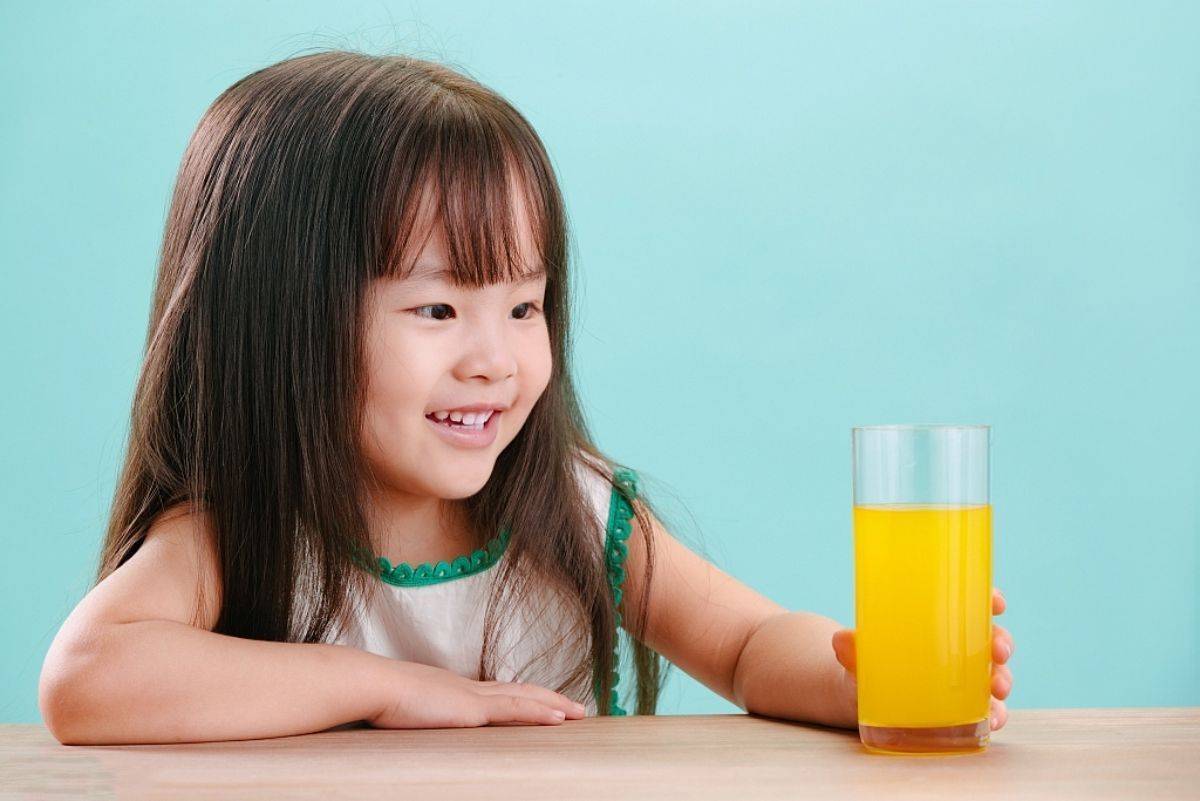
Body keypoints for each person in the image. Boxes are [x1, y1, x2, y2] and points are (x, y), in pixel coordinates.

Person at [37, 50, 1014, 745]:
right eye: (436, 309)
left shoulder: (570, 511)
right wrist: (383, 689)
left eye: (523, 306)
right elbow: (85, 678)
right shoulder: (242, 535)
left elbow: (752, 645)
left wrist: (857, 677)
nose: (495, 360)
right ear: (279, 320)